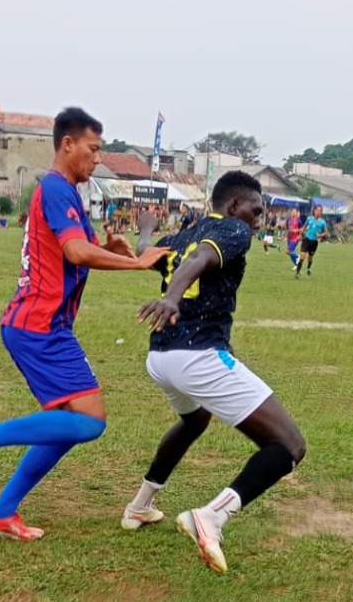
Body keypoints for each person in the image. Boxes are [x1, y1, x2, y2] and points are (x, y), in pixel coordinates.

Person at [0, 107, 170, 542]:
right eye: (93, 149)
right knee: (89, 422)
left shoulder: (66, 193)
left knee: (64, 427)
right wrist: (136, 262)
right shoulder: (56, 189)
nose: (97, 158)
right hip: (40, 326)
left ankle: (1, 512)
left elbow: (79, 249)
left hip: (43, 325)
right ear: (68, 144)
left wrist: (114, 249)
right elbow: (77, 254)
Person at [123, 171, 305, 574]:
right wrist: (171, 299)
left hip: (161, 359)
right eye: (256, 211)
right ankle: (211, 517)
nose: (259, 220)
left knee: (193, 422)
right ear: (235, 205)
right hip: (198, 357)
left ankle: (139, 507)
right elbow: (202, 260)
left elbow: (147, 255)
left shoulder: (185, 233)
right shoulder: (234, 232)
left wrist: (147, 231)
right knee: (290, 447)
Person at [294, 205, 329, 278]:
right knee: (302, 256)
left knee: (310, 257)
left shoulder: (322, 222)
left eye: (320, 211)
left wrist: (320, 235)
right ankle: (297, 273)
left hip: (314, 242)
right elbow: (304, 227)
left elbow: (326, 233)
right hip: (306, 239)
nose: (318, 212)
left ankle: (308, 268)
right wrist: (301, 234)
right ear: (314, 211)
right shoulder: (309, 218)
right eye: (317, 210)